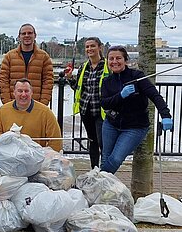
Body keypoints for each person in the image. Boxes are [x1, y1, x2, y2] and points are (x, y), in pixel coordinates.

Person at [100, 45, 173, 174]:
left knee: (116, 159)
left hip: (135, 127)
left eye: (118, 58)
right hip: (111, 124)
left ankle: (96, 181)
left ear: (125, 60)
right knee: (106, 158)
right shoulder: (107, 81)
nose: (114, 61)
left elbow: (155, 96)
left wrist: (166, 115)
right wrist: (121, 96)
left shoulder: (137, 77)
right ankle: (102, 189)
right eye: (111, 58)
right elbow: (105, 103)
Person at [65, 37, 109, 168]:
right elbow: (78, 88)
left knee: (103, 142)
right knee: (92, 141)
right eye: (87, 47)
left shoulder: (107, 66)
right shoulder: (84, 67)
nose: (89, 49)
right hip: (86, 110)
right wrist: (70, 79)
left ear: (99, 47)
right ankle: (94, 168)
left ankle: (105, 170)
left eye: (92, 46)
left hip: (102, 111)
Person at [0, 78, 62, 151]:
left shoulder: (45, 112)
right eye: (20, 91)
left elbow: (55, 139)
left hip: (36, 156)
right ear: (14, 93)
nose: (23, 94)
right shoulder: (3, 110)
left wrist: (51, 156)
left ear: (32, 93)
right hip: (9, 155)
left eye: (26, 91)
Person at [0, 23, 54, 105]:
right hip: (14, 104)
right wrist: (8, 104)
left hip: (35, 105)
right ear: (19, 37)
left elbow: (48, 82)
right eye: (23, 33)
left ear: (35, 35)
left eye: (30, 33)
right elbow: (3, 81)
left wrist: (43, 104)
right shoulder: (9, 56)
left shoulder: (44, 57)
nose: (26, 35)